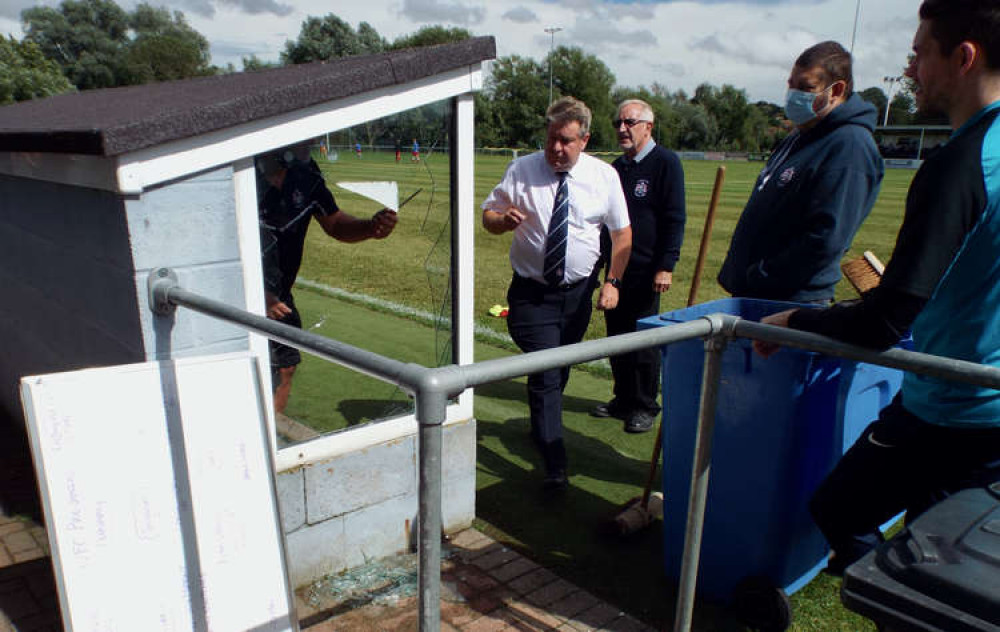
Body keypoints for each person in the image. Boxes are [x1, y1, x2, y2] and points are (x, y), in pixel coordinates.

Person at [755, 0, 1000, 575]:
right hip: (978, 405)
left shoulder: (960, 165)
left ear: (964, 58)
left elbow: (882, 323)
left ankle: (893, 590)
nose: (910, 69)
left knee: (845, 514)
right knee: (942, 558)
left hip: (952, 408)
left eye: (919, 54)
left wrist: (795, 323)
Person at [482, 96, 632, 493]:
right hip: (532, 295)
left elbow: (621, 235)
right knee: (548, 371)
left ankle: (540, 424)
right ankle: (554, 465)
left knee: (556, 370)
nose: (556, 149)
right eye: (551, 139)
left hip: (578, 297)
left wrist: (613, 282)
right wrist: (502, 220)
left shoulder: (603, 177)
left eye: (565, 141)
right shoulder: (522, 170)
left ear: (584, 139)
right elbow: (489, 217)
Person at [718, 41, 884, 303]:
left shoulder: (849, 145)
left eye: (805, 88)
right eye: (791, 85)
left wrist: (762, 274)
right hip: (758, 294)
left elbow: (826, 238)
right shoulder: (802, 134)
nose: (794, 94)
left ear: (836, 90)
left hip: (789, 300)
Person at [258, 151, 398, 414]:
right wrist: (258, 293)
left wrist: (370, 227)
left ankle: (272, 437)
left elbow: (333, 223)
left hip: (279, 294)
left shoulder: (306, 172)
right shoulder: (245, 170)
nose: (313, 141)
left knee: (285, 367)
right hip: (239, 290)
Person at [593, 99, 686, 433]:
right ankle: (623, 397)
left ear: (648, 125)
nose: (622, 128)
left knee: (643, 339)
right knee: (616, 336)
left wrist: (666, 265)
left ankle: (645, 404)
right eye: (618, 122)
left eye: (629, 122)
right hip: (617, 270)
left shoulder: (666, 163)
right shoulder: (617, 168)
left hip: (648, 270)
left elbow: (674, 218)